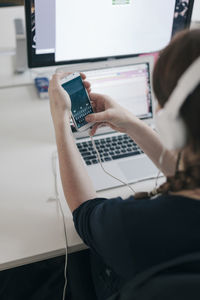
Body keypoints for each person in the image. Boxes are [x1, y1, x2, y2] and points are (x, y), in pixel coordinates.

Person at [48, 29, 200, 299]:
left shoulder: (136, 225)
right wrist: (130, 122)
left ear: (170, 125)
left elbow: (83, 211)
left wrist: (60, 120)